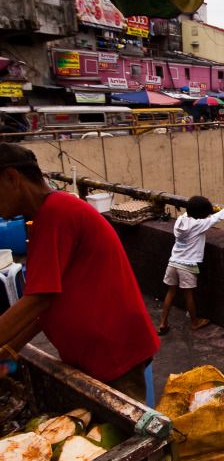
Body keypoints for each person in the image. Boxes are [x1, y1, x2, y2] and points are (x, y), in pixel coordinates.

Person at [0, 144, 159, 402]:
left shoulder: (56, 213)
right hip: (96, 352)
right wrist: (11, 348)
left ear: (11, 177)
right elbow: (48, 302)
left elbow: (39, 298)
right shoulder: (47, 216)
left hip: (112, 352)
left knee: (128, 433)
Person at [158, 195, 224, 335]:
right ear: (201, 215)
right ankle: (194, 322)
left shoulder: (180, 220)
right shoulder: (199, 225)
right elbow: (217, 217)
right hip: (187, 264)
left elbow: (193, 210)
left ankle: (162, 322)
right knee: (188, 294)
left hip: (173, 261)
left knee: (170, 292)